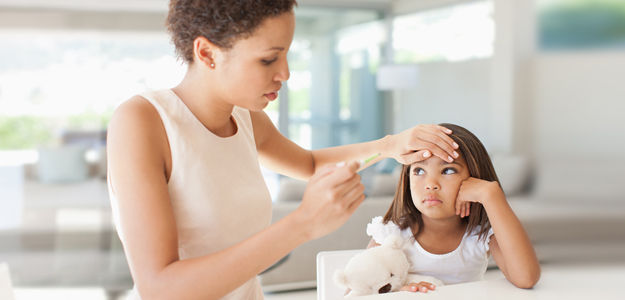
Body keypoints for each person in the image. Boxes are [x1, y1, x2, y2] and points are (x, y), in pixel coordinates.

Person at [105, 1, 459, 299]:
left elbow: (309, 164)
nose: (285, 73)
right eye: (268, 60)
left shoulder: (244, 116)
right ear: (207, 53)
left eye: (286, 54)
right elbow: (159, 287)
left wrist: (388, 146)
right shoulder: (142, 121)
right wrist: (303, 224)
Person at [365, 123, 540, 293]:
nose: (430, 185)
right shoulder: (390, 233)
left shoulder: (481, 233)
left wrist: (491, 194)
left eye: (448, 170)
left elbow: (526, 278)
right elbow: (357, 290)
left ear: (474, 179)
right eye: (419, 171)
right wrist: (395, 292)